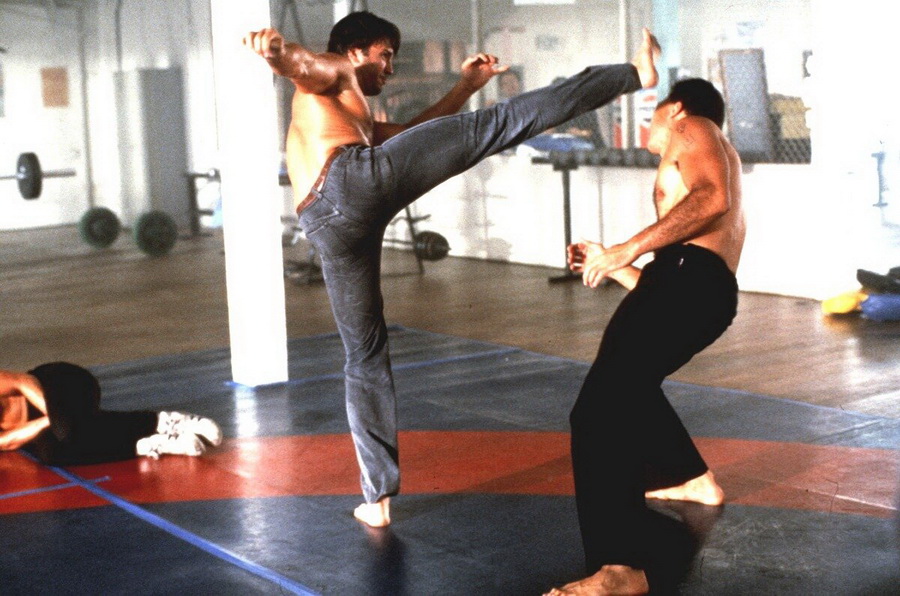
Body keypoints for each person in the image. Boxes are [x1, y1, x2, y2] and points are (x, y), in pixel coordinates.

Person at [243, 11, 660, 528]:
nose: (390, 68)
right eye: (384, 55)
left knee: (364, 355)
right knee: (497, 124)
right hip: (348, 184)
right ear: (354, 52)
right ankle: (632, 74)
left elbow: (417, 136)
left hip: (327, 223)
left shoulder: (353, 115)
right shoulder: (334, 68)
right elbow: (302, 65)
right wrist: (276, 53)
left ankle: (376, 499)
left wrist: (465, 87)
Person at [545, 78, 745, 595]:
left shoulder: (692, 125)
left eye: (654, 109)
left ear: (675, 108)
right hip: (688, 287)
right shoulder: (705, 148)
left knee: (596, 412)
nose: (648, 122)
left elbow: (712, 199)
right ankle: (693, 478)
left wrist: (626, 249)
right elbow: (669, 283)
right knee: (630, 386)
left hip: (685, 283)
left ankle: (618, 569)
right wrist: (614, 265)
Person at [0, 363, 222, 465]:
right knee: (53, 453)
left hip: (58, 382)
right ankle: (147, 445)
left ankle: (165, 421)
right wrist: (54, 420)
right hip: (56, 422)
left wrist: (57, 416)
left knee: (67, 430)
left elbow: (23, 382)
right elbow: (8, 442)